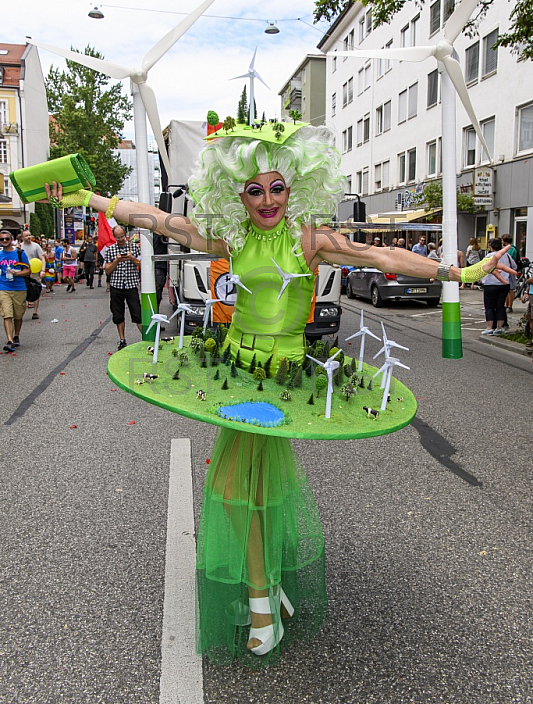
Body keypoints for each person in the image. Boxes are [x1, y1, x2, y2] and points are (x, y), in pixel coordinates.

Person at [41, 124, 512, 664]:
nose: (267, 200)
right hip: (237, 371)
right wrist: (91, 199)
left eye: (278, 188)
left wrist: (459, 271)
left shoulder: (309, 241)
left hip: (281, 382)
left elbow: (380, 258)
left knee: (241, 493)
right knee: (243, 491)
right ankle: (271, 594)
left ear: (296, 189)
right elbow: (158, 220)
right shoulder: (232, 238)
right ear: (237, 193)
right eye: (254, 189)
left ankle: (263, 600)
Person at [104, 225, 142, 350]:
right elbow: (107, 271)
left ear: (125, 235)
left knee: (137, 313)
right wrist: (116, 261)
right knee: (118, 314)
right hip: (116, 285)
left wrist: (132, 258)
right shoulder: (110, 250)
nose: (120, 239)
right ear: (114, 237)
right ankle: (122, 339)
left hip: (131, 285)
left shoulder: (134, 247)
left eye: (122, 237)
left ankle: (146, 338)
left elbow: (142, 264)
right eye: (118, 237)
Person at [0, 228, 30, 352]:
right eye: (2, 239)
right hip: (4, 287)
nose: (4, 241)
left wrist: (17, 273)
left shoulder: (19, 253)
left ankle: (16, 335)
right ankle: (9, 340)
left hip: (19, 287)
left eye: (7, 238)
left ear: (11, 240)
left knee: (18, 315)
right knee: (7, 315)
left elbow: (28, 270)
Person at [480, 237, 516, 335]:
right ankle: (499, 328)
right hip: (504, 284)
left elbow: (482, 269)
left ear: (490, 247)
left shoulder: (488, 257)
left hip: (490, 284)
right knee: (500, 306)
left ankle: (489, 327)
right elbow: (515, 266)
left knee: (489, 307)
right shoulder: (507, 255)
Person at [20, 230, 45, 320]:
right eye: (26, 236)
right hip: (23, 272)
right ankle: (21, 312)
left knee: (35, 290)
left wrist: (42, 270)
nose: (28, 237)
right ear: (22, 238)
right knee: (22, 292)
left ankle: (35, 311)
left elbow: (42, 258)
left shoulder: (36, 246)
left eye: (29, 235)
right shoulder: (19, 247)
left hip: (35, 271)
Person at [501, 234, 519, 313]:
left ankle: (509, 306)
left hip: (509, 270)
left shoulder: (511, 249)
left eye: (502, 240)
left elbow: (508, 260)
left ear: (505, 241)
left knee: (510, 289)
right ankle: (506, 304)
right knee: (507, 289)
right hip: (506, 270)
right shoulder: (508, 248)